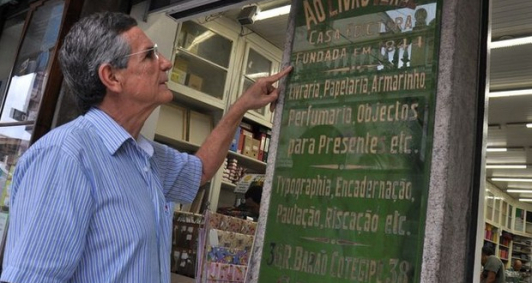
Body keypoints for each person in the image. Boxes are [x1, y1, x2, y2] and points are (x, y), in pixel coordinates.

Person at [0, 11, 292, 283]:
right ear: (112, 77)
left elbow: (199, 171)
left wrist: (240, 107)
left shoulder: (144, 156)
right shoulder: (64, 157)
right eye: (150, 55)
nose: (166, 62)